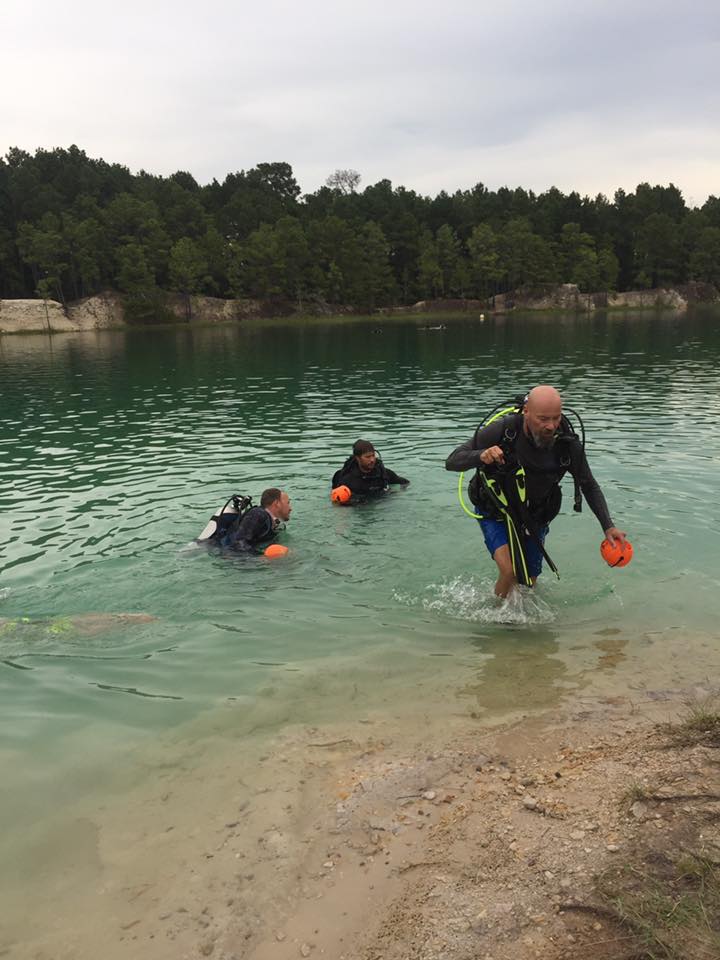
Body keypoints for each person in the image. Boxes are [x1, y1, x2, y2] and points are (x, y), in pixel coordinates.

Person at [445, 385, 627, 598]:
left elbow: (588, 484)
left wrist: (608, 526)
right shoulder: (504, 430)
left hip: (536, 515)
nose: (551, 426)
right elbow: (452, 461)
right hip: (495, 509)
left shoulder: (567, 445)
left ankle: (522, 623)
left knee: (528, 580)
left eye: (556, 418)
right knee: (509, 572)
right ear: (526, 412)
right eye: (543, 419)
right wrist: (481, 454)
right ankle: (498, 623)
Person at [200, 488, 292, 553]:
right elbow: (238, 542)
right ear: (277, 503)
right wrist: (260, 559)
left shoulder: (273, 523)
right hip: (218, 550)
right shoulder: (258, 514)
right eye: (288, 503)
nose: (290, 508)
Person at [331, 440, 409, 498]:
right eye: (367, 457)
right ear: (357, 458)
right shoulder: (347, 479)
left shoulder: (383, 473)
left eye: (373, 455)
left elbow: (405, 482)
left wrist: (398, 494)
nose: (372, 460)